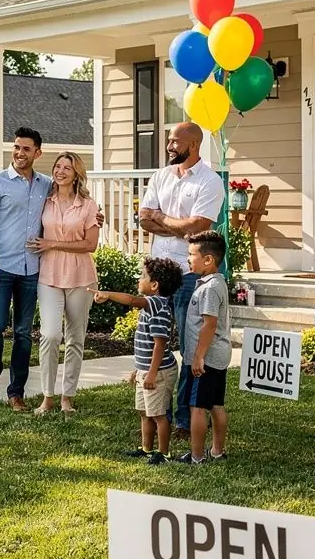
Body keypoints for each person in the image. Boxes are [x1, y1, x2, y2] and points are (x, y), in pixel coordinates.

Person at [137, 122, 224, 441]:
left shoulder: (210, 181)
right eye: (169, 141)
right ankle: (154, 408)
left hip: (190, 276)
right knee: (152, 342)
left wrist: (161, 217)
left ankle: (185, 419)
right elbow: (144, 219)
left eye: (175, 142)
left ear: (194, 145)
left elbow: (197, 227)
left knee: (191, 350)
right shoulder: (160, 176)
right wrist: (172, 223)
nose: (170, 146)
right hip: (158, 275)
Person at [0, 128, 51, 411]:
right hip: (1, 266)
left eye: (26, 149)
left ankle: (16, 392)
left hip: (32, 269)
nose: (20, 153)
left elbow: (72, 198)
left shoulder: (46, 184)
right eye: (17, 147)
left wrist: (95, 214)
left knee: (23, 333)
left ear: (37, 153)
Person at [27, 151, 100, 415]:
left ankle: (67, 397)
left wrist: (52, 243)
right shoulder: (44, 201)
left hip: (81, 278)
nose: (60, 171)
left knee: (75, 339)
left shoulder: (89, 206)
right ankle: (47, 397)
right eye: (57, 166)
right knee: (50, 335)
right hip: (49, 277)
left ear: (76, 173)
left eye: (66, 168)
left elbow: (90, 245)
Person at [95, 256, 184, 464]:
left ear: (154, 285)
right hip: (147, 371)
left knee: (159, 415)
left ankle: (164, 453)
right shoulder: (151, 306)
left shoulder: (156, 305)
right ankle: (146, 449)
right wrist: (139, 370)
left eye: (143, 276)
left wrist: (108, 295)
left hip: (159, 372)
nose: (139, 278)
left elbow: (160, 345)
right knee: (145, 412)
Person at [179, 231, 232, 466]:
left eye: (192, 254)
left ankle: (197, 456)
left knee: (197, 407)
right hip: (218, 355)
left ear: (208, 260)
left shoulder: (209, 288)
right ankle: (217, 451)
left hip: (207, 357)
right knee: (216, 404)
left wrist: (199, 357)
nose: (188, 259)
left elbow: (209, 324)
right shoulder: (215, 283)